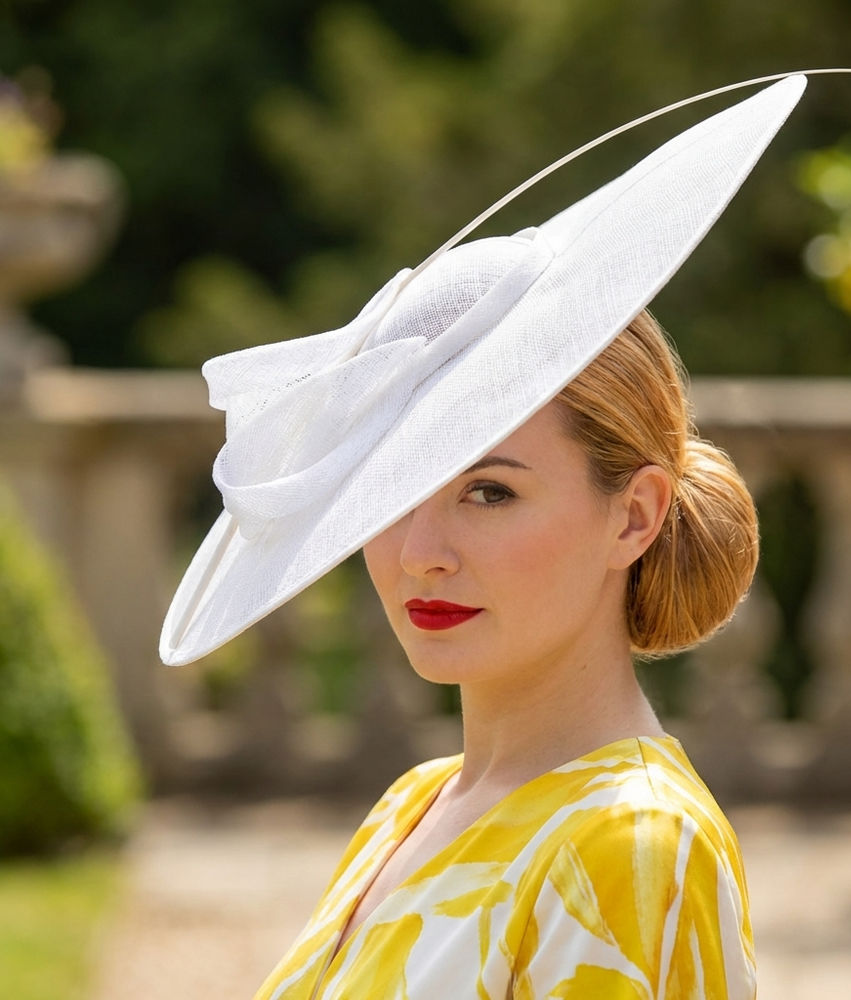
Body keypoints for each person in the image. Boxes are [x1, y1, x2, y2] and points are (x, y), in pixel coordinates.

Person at [161, 75, 810, 999]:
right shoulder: (414, 804)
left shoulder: (632, 844)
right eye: (390, 490)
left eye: (489, 492)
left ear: (633, 515)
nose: (418, 550)